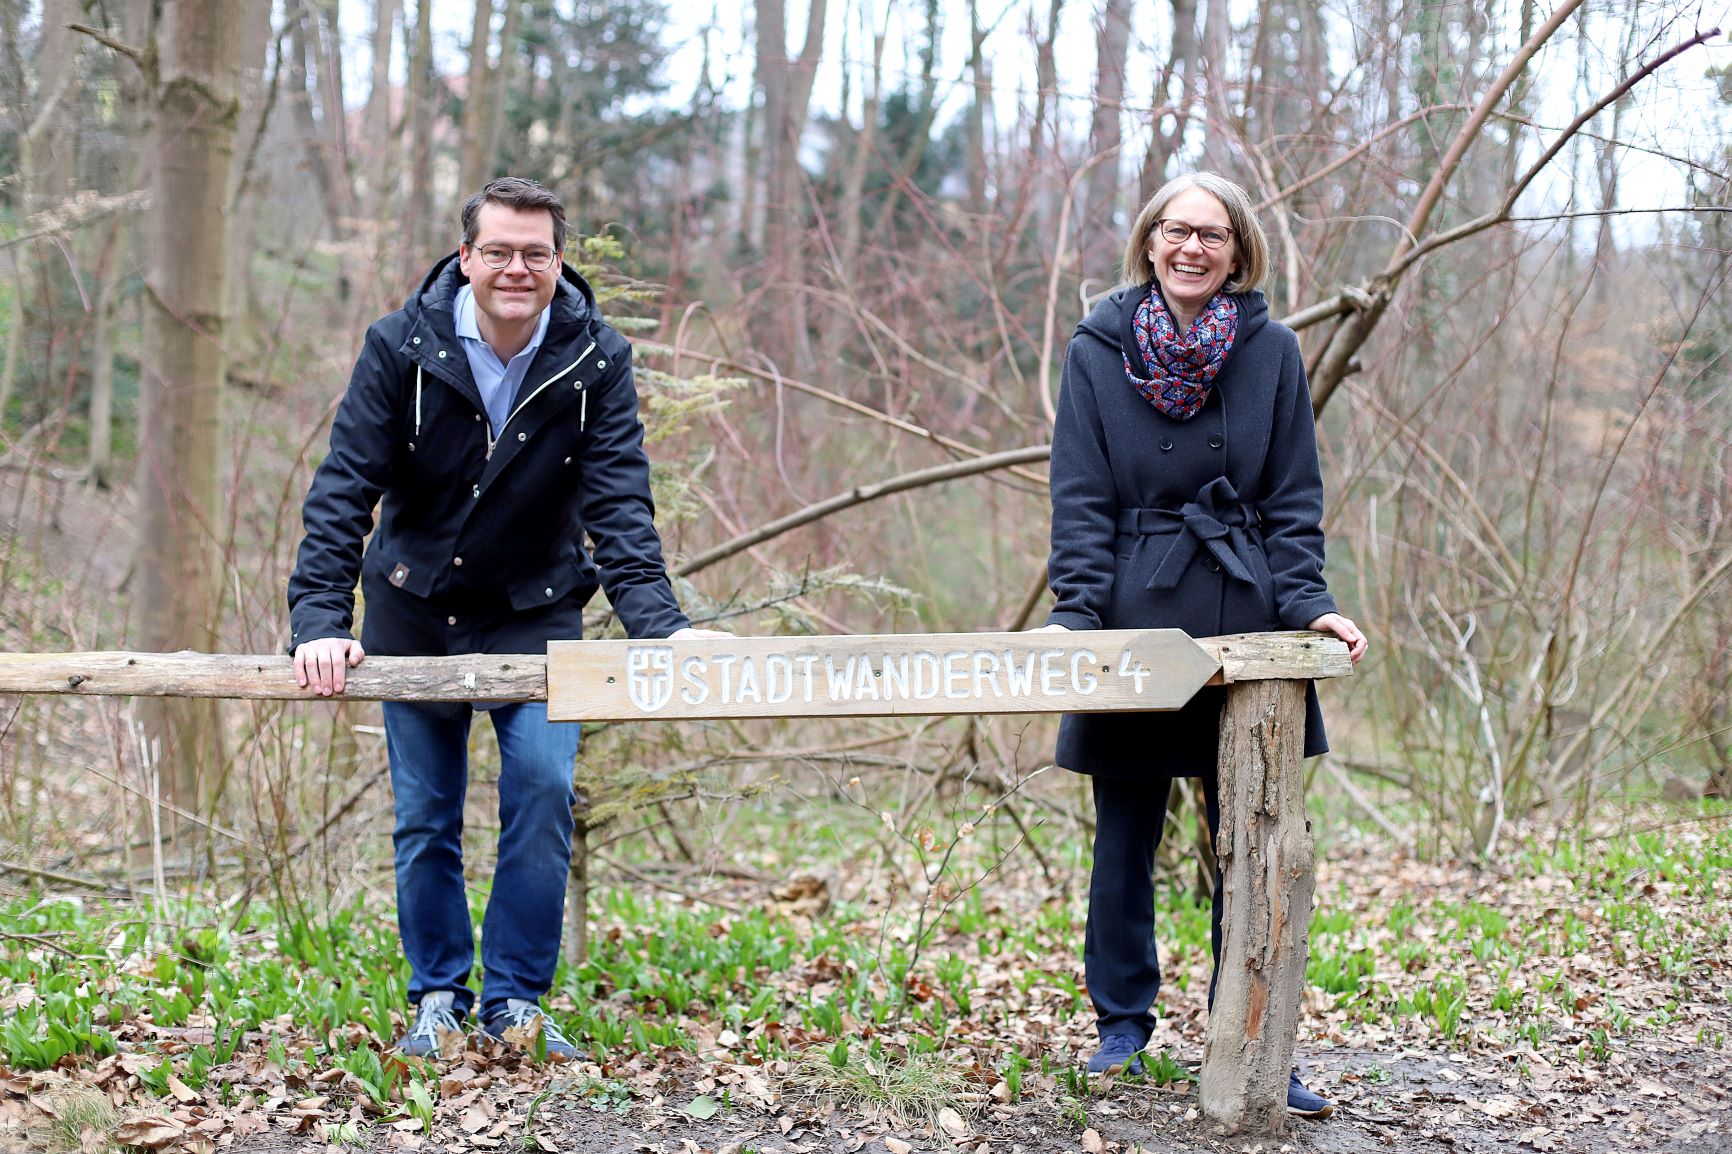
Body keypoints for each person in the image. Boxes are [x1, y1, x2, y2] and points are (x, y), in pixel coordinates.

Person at [287, 177, 723, 1060]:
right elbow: (343, 491)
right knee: (425, 813)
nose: (515, 268)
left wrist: (663, 629)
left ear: (557, 263)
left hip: (536, 610)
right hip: (413, 608)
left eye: (534, 253)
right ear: (466, 258)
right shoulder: (398, 347)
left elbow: (620, 504)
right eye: (498, 251)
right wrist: (319, 620)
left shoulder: (594, 358)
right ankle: (439, 995)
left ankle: (516, 1001)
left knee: (542, 786)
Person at [1041, 172, 1367, 1117]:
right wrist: (1077, 618)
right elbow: (1082, 499)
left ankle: (1256, 1034)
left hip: (1245, 615)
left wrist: (1311, 605)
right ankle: (1122, 1030)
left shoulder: (1272, 351)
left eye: (1213, 235)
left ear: (1238, 252)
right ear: (1150, 241)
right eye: (1178, 230)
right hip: (1132, 613)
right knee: (1126, 833)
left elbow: (1294, 500)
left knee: (1257, 840)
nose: (1193, 248)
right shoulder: (1097, 347)